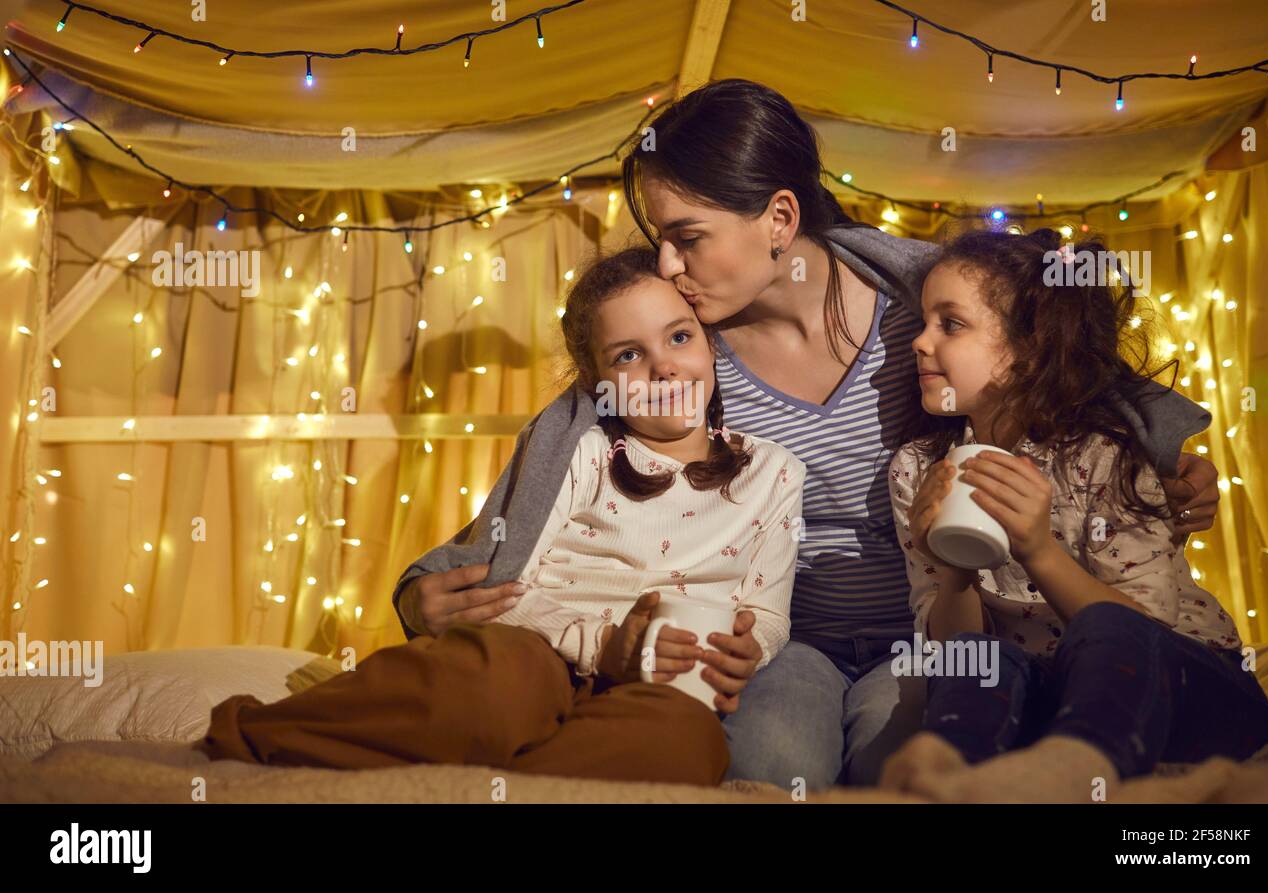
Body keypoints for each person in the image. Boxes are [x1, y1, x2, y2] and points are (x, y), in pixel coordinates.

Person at [396, 79, 1224, 790]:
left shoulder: (923, 321)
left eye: (687, 238)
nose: (669, 268)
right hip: (786, 638)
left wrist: (1161, 455)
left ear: (779, 218)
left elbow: (1052, 351)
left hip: (932, 625)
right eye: (661, 242)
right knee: (772, 756)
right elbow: (552, 453)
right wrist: (425, 585)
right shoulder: (682, 352)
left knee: (892, 756)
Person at [196, 247, 805, 786]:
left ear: (708, 340)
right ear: (597, 382)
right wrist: (599, 644)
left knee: (682, 743)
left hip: (659, 681)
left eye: (679, 338)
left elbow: (770, 612)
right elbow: (502, 582)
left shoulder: (774, 473)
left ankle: (496, 784)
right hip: (543, 647)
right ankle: (253, 732)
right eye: (628, 355)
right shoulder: (583, 450)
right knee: (487, 686)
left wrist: (748, 650)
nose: (664, 368)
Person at [879, 228, 1268, 801]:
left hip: (1182, 686)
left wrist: (1038, 551)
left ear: (1028, 350)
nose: (918, 341)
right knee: (976, 660)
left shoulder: (1105, 453)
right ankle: (945, 770)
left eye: (951, 324)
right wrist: (954, 570)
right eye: (922, 322)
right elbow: (951, 645)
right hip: (1050, 689)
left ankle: (1077, 762)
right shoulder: (918, 471)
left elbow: (1143, 631)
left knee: (1108, 630)